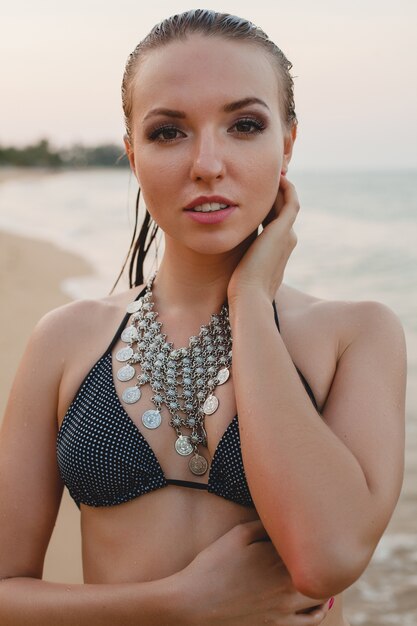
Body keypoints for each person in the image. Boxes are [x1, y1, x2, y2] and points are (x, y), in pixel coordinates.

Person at [0, 9, 406, 626]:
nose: (208, 163)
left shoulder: (356, 335)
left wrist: (250, 301)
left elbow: (325, 558)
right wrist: (179, 604)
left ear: (287, 144)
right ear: (132, 154)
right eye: (169, 132)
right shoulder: (65, 340)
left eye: (244, 125)